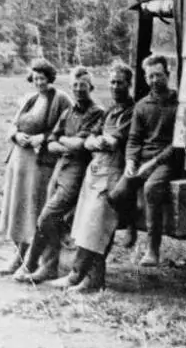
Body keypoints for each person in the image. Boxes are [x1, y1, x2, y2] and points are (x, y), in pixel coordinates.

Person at [48, 62, 135, 292]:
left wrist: (96, 141)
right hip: (96, 170)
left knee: (97, 226)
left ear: (129, 84)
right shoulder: (109, 110)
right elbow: (90, 140)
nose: (116, 87)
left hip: (113, 172)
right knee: (85, 225)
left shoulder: (130, 112)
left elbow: (111, 141)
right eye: (113, 82)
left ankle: (92, 280)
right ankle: (77, 276)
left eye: (120, 82)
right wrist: (94, 141)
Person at [13, 66, 104, 284]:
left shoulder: (96, 112)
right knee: (47, 217)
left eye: (83, 85)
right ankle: (46, 266)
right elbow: (51, 142)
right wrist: (64, 143)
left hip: (78, 171)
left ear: (91, 87)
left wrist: (62, 142)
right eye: (75, 85)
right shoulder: (68, 112)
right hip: (60, 168)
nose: (78, 89)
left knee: (47, 216)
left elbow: (80, 144)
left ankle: (33, 263)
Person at [0, 59, 72, 276]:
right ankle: (18, 257)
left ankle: (36, 260)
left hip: (39, 164)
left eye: (43, 78)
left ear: (50, 78)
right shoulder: (30, 98)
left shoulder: (60, 99)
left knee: (35, 209)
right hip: (19, 162)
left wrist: (43, 137)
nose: (39, 82)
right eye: (36, 78)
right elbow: (13, 123)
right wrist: (16, 135)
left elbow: (68, 128)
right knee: (19, 209)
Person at [109, 54, 179, 267]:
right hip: (142, 161)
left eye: (158, 75)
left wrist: (153, 163)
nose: (154, 80)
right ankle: (131, 224)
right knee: (116, 195)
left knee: (151, 189)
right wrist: (131, 161)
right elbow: (133, 139)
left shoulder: (179, 103)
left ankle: (152, 249)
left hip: (167, 161)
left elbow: (178, 143)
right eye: (150, 77)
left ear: (167, 74)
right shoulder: (142, 105)